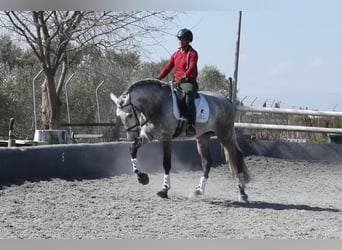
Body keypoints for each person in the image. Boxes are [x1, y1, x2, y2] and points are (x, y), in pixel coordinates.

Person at [157, 28, 198, 136]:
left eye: (182, 39)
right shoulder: (176, 54)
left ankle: (191, 125)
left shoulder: (192, 53)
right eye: (179, 39)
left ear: (188, 41)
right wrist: (158, 78)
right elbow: (167, 67)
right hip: (176, 82)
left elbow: (192, 68)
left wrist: (184, 76)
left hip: (189, 83)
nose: (179, 41)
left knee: (188, 98)